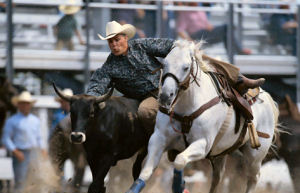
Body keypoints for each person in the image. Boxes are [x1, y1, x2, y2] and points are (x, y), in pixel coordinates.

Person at [86, 21, 264, 134]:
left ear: (125, 38)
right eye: (111, 41)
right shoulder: (109, 67)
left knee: (196, 56)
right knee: (145, 111)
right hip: (149, 97)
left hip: (171, 83)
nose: (115, 44)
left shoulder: (141, 45)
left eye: (117, 39)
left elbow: (170, 45)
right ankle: (156, 139)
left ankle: (239, 79)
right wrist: (88, 99)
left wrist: (184, 51)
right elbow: (96, 86)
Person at [2, 91, 46, 190]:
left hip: (34, 152)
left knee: (34, 180)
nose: (25, 106)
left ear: (30, 105)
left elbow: (39, 137)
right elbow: (6, 138)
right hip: (20, 152)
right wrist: (15, 151)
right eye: (23, 103)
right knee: (20, 181)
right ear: (18, 105)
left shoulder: (35, 120)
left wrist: (43, 149)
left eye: (27, 103)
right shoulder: (12, 121)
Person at [176, 2, 251, 55]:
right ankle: (238, 50)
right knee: (227, 28)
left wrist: (214, 29)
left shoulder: (200, 10)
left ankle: (232, 53)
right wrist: (191, 41)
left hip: (206, 32)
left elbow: (206, 24)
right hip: (197, 35)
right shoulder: (185, 12)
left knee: (226, 32)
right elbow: (180, 30)